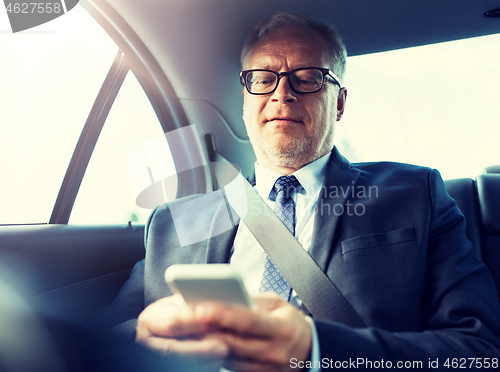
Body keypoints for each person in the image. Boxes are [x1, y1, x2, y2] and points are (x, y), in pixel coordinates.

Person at [104, 12, 500, 371]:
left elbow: (480, 352)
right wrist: (142, 340)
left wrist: (316, 350)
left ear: (340, 103)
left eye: (308, 77)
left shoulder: (415, 195)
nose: (281, 94)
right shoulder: (172, 223)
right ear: (245, 101)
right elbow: (105, 339)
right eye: (262, 80)